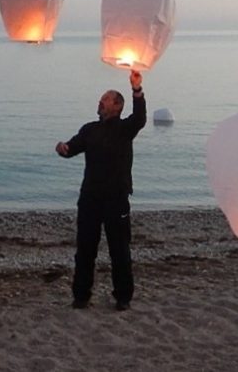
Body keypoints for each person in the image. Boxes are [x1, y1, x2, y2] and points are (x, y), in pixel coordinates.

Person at [55, 70, 145, 311]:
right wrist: (62, 148)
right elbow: (72, 148)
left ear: (116, 106)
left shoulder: (126, 128)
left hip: (116, 198)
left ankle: (123, 298)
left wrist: (137, 89)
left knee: (119, 250)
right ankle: (81, 295)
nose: (100, 102)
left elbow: (140, 117)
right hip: (90, 198)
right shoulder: (90, 130)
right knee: (85, 248)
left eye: (104, 99)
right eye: (100, 99)